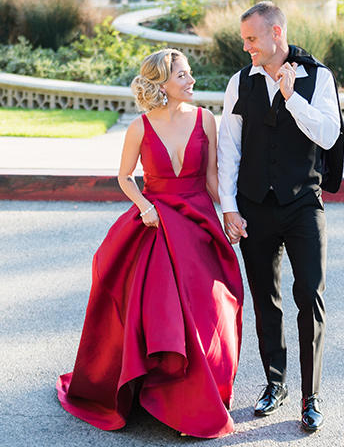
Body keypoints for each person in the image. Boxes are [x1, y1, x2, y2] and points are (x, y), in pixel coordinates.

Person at [56, 48, 243, 439]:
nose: (191, 81)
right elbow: (125, 177)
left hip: (197, 223)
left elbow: (211, 178)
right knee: (163, 314)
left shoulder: (205, 119)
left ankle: (201, 394)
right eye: (182, 76)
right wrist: (143, 206)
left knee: (212, 309)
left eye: (190, 74)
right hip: (156, 223)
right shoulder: (139, 127)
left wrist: (230, 213)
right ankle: (167, 397)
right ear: (161, 83)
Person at [217, 1, 342, 433]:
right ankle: (275, 384)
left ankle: (311, 395)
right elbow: (228, 147)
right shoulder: (240, 81)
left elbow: (328, 134)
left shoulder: (317, 77)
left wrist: (292, 99)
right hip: (254, 206)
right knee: (265, 301)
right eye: (244, 40)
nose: (247, 46)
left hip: (303, 203)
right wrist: (229, 208)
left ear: (276, 34)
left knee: (310, 297)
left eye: (252, 38)